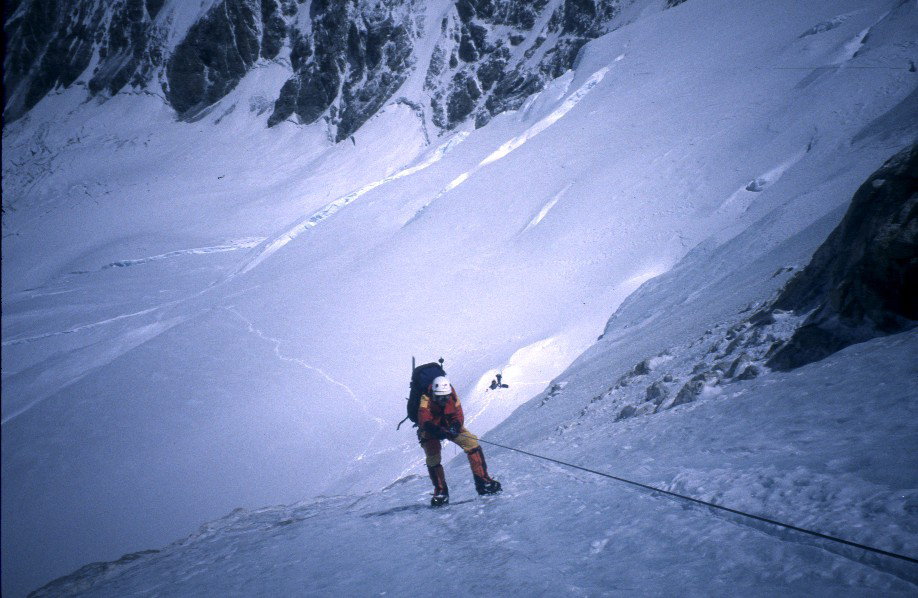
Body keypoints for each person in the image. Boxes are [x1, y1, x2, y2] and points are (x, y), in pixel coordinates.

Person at [418, 376, 501, 505]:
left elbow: (458, 414)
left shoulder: (452, 395)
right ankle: (441, 492)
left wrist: (455, 425)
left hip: (448, 426)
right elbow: (424, 419)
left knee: (471, 443)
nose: (443, 400)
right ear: (434, 394)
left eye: (445, 397)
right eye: (440, 398)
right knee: (433, 458)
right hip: (431, 430)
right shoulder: (425, 398)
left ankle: (483, 482)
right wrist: (435, 430)